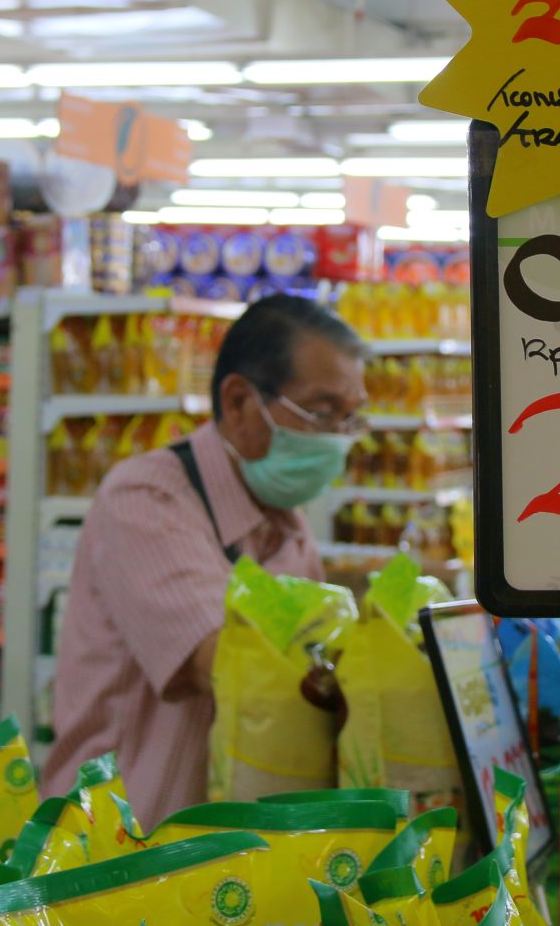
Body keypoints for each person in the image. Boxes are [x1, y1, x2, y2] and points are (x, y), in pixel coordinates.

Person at [43, 293, 369, 821]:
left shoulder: (288, 528)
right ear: (239, 402)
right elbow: (227, 664)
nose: (338, 442)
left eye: (351, 420)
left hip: (214, 866)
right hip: (117, 857)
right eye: (323, 413)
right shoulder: (148, 498)